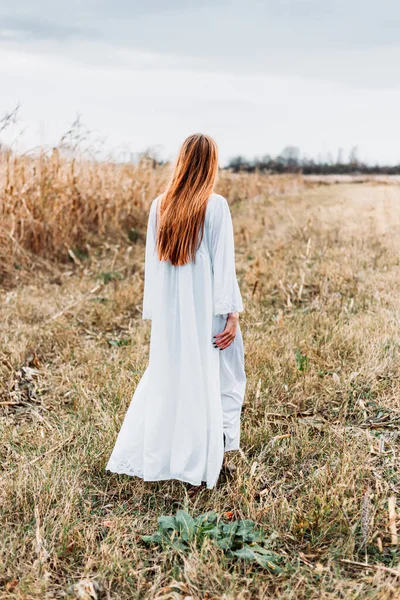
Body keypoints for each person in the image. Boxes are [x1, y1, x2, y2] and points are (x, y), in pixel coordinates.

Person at [106, 133, 246, 489]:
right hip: (207, 311)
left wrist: (159, 312)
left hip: (173, 312)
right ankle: (205, 456)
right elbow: (223, 265)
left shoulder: (160, 205)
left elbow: (154, 268)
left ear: (182, 161)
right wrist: (231, 314)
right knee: (219, 378)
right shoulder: (215, 206)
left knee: (171, 377)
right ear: (210, 163)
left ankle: (168, 454)